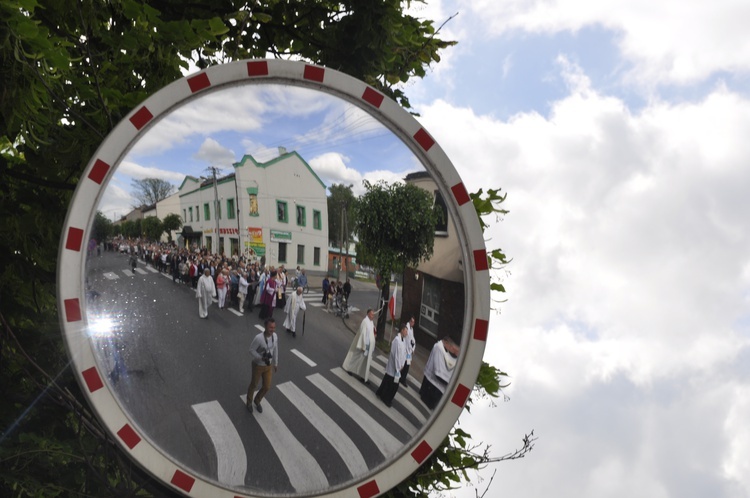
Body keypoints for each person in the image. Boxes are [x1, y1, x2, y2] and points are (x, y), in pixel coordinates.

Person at [246, 318, 279, 414]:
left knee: (267, 386)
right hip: (258, 365)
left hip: (268, 365)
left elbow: (276, 349)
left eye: (274, 327)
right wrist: (260, 357)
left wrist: (276, 363)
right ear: (265, 326)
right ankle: (249, 402)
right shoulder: (259, 338)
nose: (272, 330)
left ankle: (257, 400)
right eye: (270, 327)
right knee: (254, 384)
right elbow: (251, 350)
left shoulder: (275, 336)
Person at [419, 336, 460, 409]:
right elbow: (438, 372)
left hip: (433, 382)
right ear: (447, 343)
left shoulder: (444, 349)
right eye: (454, 350)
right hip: (433, 383)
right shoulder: (439, 348)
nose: (453, 352)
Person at [376, 323, 408, 407]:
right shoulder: (397, 340)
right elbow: (395, 355)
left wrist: (403, 364)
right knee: (393, 385)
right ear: (402, 330)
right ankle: (386, 398)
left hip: (399, 366)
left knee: (387, 380)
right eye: (405, 331)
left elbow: (404, 353)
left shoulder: (403, 340)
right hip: (395, 366)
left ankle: (379, 392)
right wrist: (398, 367)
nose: (406, 333)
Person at [342, 309, 377, 384]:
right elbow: (363, 333)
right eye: (372, 314)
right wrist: (364, 345)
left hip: (369, 346)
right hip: (364, 345)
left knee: (365, 362)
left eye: (373, 315)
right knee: (356, 358)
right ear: (368, 314)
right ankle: (349, 368)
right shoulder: (365, 321)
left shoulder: (371, 322)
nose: (373, 316)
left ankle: (363, 376)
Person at [400, 316, 416, 388]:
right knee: (404, 364)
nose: (412, 323)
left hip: (409, 351)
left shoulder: (411, 329)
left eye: (414, 322)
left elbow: (413, 340)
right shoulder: (407, 328)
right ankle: (401, 378)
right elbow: (407, 340)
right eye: (412, 322)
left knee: (407, 365)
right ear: (410, 321)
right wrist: (411, 348)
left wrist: (413, 348)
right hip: (406, 349)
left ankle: (403, 378)